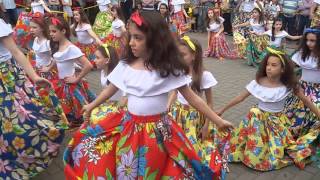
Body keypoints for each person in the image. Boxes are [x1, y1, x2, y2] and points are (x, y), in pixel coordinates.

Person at [63, 10, 233, 179]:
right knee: (124, 164)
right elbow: (111, 88)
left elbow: (193, 98)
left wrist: (217, 120)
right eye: (131, 36)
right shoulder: (126, 64)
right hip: (128, 126)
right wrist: (92, 105)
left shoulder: (168, 67)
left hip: (158, 132)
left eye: (138, 38)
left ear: (154, 40)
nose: (131, 42)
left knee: (153, 169)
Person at [217, 47, 320, 171]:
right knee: (255, 112)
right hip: (256, 122)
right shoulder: (258, 82)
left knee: (276, 149)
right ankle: (253, 151)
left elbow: (306, 101)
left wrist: (318, 114)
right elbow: (240, 98)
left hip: (275, 123)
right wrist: (222, 109)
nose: (269, 67)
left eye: (273, 65)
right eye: (267, 64)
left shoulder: (289, 85)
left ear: (283, 69)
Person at [0, 10, 67, 179]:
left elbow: (16, 52)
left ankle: (37, 145)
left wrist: (35, 76)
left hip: (7, 76)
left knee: (22, 115)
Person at [168, 36, 229, 179]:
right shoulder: (178, 72)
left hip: (194, 118)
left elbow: (209, 103)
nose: (179, 58)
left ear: (194, 56)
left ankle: (191, 169)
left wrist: (207, 125)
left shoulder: (204, 75)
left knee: (191, 146)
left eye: (182, 55)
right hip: (177, 113)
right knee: (174, 143)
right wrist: (168, 107)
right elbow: (174, 92)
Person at [48, 16, 96, 127]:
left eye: (54, 31)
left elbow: (88, 65)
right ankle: (69, 120)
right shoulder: (57, 44)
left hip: (70, 84)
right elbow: (57, 59)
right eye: (50, 31)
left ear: (63, 31)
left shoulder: (71, 48)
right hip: (60, 82)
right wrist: (48, 68)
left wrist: (77, 79)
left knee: (76, 109)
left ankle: (77, 124)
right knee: (64, 106)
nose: (51, 34)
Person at [285, 27, 320, 169]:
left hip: (318, 90)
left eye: (313, 41)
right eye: (307, 40)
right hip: (302, 88)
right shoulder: (301, 54)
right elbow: (289, 68)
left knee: (316, 109)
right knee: (294, 111)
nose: (309, 43)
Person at [88, 44, 127, 125]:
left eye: (98, 58)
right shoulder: (102, 71)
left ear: (107, 60)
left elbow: (125, 95)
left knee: (98, 120)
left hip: (119, 106)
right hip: (109, 102)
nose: (94, 60)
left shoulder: (117, 74)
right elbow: (105, 91)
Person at [29, 12, 58, 80]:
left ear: (42, 28)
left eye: (34, 27)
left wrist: (49, 68)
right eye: (31, 27)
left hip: (46, 71)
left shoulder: (47, 43)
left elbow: (57, 57)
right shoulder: (36, 39)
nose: (31, 30)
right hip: (37, 69)